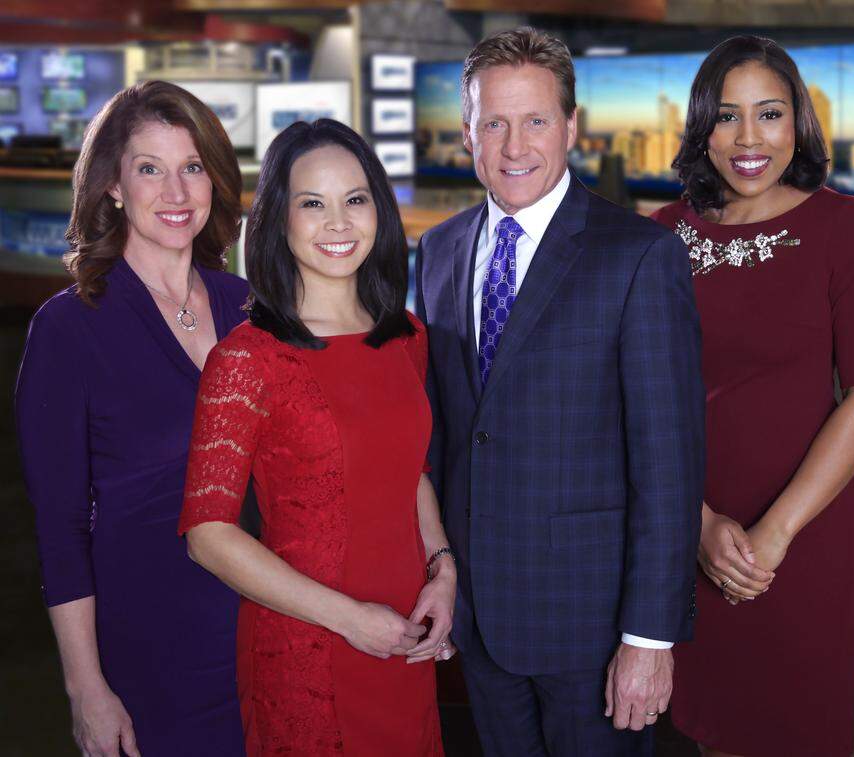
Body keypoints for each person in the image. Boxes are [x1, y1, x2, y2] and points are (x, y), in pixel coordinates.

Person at [415, 27, 704, 756]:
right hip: (478, 614)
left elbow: (668, 464)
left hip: (594, 626)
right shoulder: (440, 249)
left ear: (571, 127)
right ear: (468, 132)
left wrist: (649, 635)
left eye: (536, 120)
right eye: (495, 122)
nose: (515, 146)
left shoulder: (638, 254)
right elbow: (444, 433)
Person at [651, 35, 854, 756]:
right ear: (702, 126)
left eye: (770, 113)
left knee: (800, 734)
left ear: (800, 122)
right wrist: (696, 525)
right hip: (692, 536)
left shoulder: (843, 227)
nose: (750, 138)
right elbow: (643, 402)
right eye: (727, 116)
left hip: (807, 539)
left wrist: (773, 535)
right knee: (715, 731)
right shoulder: (662, 236)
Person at [178, 118, 453, 756]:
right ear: (278, 221)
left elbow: (410, 472)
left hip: (406, 639)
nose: (338, 223)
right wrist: (353, 621)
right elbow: (207, 537)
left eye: (355, 200)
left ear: (379, 212)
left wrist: (443, 570)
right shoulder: (246, 360)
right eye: (313, 204)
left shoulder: (407, 337)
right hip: (308, 650)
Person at [14, 81, 248, 756]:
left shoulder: (249, 308)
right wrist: (85, 687)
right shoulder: (67, 329)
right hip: (150, 664)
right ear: (113, 184)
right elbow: (60, 532)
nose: (176, 193)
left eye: (193, 167)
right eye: (150, 168)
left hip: (264, 643)